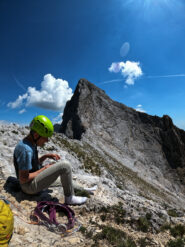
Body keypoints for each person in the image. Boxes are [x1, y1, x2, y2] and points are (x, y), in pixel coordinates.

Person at [13, 115, 87, 205]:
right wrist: (44, 169)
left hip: (32, 182)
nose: (47, 140)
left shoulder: (30, 144)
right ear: (36, 135)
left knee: (62, 181)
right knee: (65, 166)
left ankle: (84, 189)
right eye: (45, 137)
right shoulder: (25, 150)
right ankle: (69, 198)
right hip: (28, 187)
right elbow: (23, 179)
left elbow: (33, 164)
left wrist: (46, 156)